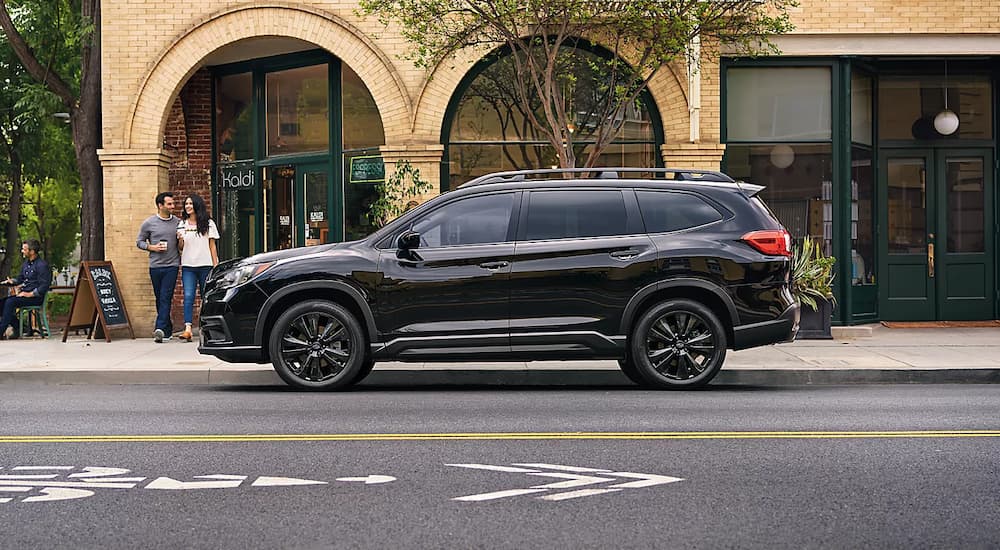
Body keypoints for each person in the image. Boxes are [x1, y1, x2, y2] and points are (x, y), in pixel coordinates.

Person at [136, 191, 180, 343]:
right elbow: (139, 242)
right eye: (169, 204)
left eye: (173, 203)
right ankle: (167, 329)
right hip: (155, 266)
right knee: (159, 298)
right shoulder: (149, 223)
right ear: (160, 205)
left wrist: (181, 240)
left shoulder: (178, 223)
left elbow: (181, 244)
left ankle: (159, 328)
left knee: (165, 297)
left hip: (172, 265)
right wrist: (152, 247)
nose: (172, 206)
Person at [176, 193, 219, 342]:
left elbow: (212, 246)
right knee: (188, 296)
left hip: (206, 265)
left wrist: (216, 266)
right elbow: (181, 248)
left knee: (206, 297)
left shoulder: (208, 223)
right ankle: (188, 328)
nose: (187, 206)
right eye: (186, 204)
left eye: (190, 203)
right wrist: (180, 240)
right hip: (188, 265)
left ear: (197, 205)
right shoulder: (182, 224)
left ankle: (205, 328)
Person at [0, 239, 51, 340]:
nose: (22, 251)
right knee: (2, 303)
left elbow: (44, 286)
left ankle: (1, 331)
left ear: (32, 251)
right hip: (24, 295)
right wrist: (12, 281)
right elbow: (20, 279)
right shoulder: (26, 264)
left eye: (24, 249)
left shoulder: (42, 265)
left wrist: (30, 294)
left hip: (35, 297)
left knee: (10, 302)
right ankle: (18, 327)